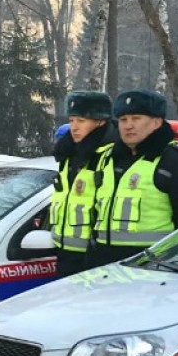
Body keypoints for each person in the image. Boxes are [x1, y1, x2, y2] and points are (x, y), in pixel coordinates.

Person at [90, 90, 178, 267]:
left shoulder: (173, 161)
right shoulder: (107, 159)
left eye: (136, 118)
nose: (128, 126)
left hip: (152, 269)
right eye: (123, 120)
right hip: (102, 267)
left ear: (156, 122)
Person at [50, 91, 116, 278]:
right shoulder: (68, 155)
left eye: (81, 121)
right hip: (65, 253)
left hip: (94, 258)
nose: (74, 127)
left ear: (100, 121)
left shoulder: (109, 155)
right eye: (71, 121)